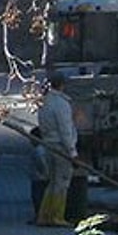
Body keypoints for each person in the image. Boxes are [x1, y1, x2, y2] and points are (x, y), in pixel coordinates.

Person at [35, 72, 78, 227]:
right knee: (62, 182)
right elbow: (65, 130)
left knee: (52, 181)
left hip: (48, 144)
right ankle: (57, 216)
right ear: (62, 85)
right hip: (61, 147)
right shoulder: (62, 104)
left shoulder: (44, 102)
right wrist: (72, 152)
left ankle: (44, 215)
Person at [28, 128, 49, 219]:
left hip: (39, 177)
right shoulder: (43, 149)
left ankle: (39, 216)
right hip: (39, 177)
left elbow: (42, 163)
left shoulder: (39, 151)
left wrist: (45, 173)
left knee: (38, 198)